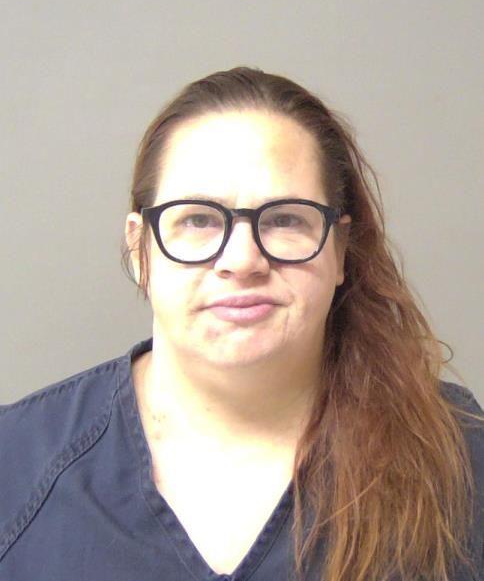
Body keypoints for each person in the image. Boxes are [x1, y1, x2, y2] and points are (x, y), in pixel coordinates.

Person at [0, 67, 482, 581]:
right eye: (198, 219)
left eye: (285, 219)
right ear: (140, 249)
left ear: (340, 250)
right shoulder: (16, 462)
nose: (242, 260)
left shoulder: (459, 453)